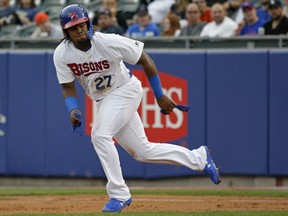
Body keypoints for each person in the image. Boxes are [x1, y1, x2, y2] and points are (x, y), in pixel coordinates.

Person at [53, 4, 221, 213]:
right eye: (73, 27)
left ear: (88, 23)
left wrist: (159, 95)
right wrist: (72, 108)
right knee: (143, 151)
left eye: (81, 24)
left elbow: (145, 60)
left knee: (99, 135)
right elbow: (67, 86)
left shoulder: (108, 41)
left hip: (125, 89)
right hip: (103, 99)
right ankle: (199, 158)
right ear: (65, 32)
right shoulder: (62, 54)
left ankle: (119, 194)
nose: (78, 30)